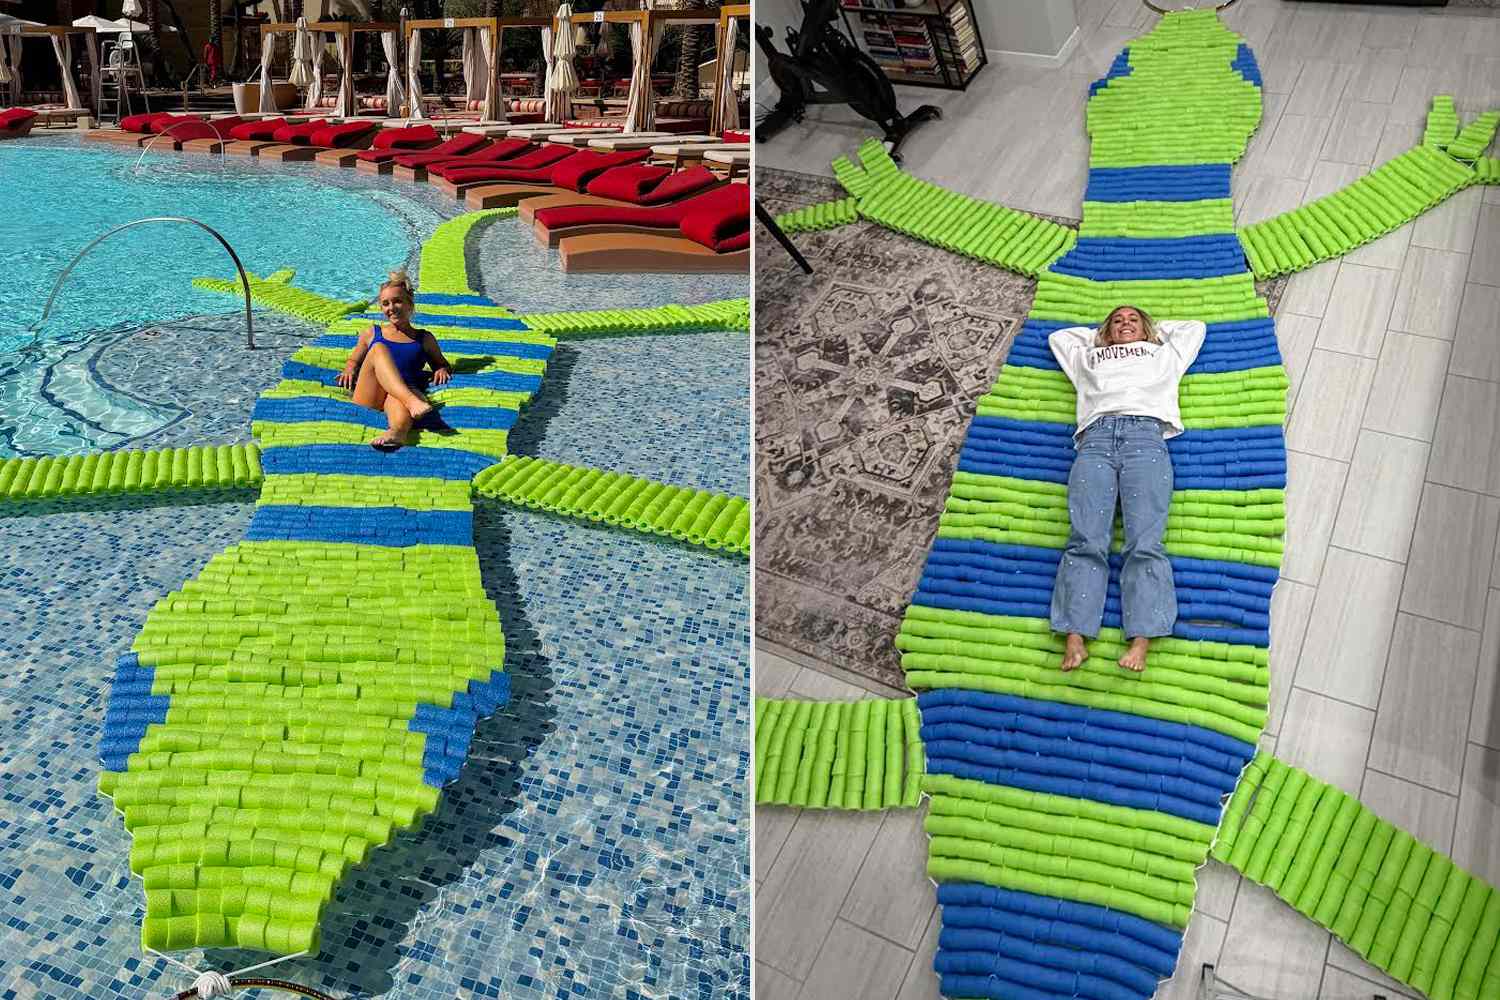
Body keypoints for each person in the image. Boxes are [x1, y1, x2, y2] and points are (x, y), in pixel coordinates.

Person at [1046, 305, 1206, 673]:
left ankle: (1141, 641)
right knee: (1086, 539)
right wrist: (1100, 338)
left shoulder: (1164, 354)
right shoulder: (1089, 357)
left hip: (1146, 438)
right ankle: (1075, 636)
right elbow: (1059, 338)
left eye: (1133, 319)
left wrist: (1152, 333)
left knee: (1145, 541)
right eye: (1117, 320)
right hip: (1095, 440)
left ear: (1147, 328)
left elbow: (1194, 326)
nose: (1125, 323)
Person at [335, 269, 453, 451]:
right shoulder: (372, 333)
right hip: (372, 394)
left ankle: (396, 434)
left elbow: (441, 363)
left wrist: (441, 369)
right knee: (378, 348)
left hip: (401, 393)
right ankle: (412, 402)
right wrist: (349, 370)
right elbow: (353, 361)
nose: (391, 308)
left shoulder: (424, 338)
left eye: (397, 301)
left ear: (409, 303)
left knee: (399, 396)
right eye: (385, 304)